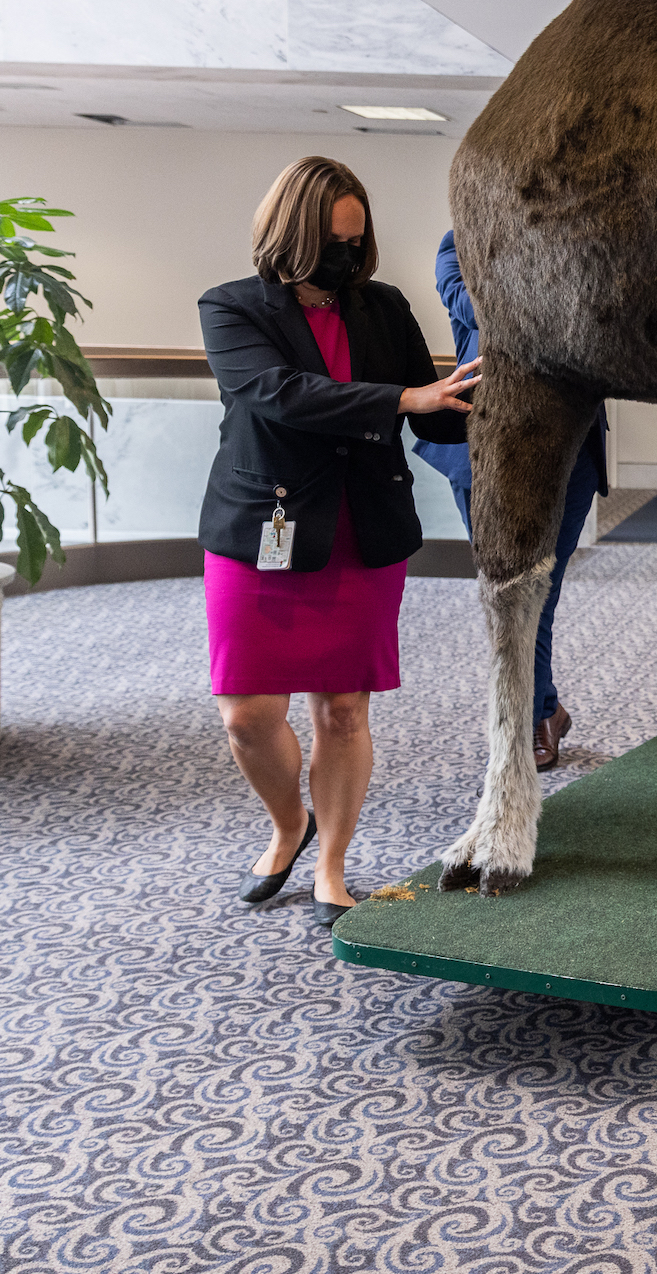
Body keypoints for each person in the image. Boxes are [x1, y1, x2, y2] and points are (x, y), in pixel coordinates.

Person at [199, 158, 480, 928]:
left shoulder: (382, 307)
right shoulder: (231, 309)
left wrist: (485, 389)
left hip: (359, 529)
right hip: (262, 528)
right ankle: (290, 822)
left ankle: (331, 862)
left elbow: (432, 416)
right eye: (332, 242)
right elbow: (279, 395)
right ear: (290, 233)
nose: (347, 259)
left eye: (356, 243)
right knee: (247, 713)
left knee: (345, 710)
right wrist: (401, 396)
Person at [409, 230, 607, 769]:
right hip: (486, 448)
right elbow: (479, 309)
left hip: (571, 447)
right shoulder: (458, 243)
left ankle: (533, 715)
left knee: (538, 589)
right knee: (506, 593)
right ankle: (543, 710)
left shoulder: (581, 238)